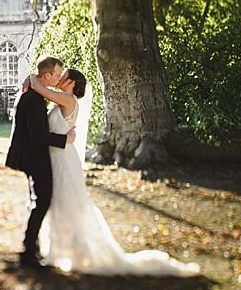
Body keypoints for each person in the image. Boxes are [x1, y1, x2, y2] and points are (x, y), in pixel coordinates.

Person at [26, 70, 200, 276]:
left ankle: (75, 250)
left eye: (63, 77)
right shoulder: (61, 100)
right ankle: (65, 249)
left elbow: (38, 87)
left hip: (63, 159)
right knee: (60, 203)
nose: (59, 80)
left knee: (68, 202)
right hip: (56, 157)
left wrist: (30, 77)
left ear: (72, 82)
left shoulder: (66, 99)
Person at [5, 56, 76, 269]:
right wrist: (65, 139)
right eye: (56, 74)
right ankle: (28, 253)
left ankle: (31, 249)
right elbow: (37, 134)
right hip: (33, 156)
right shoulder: (34, 97)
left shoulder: (33, 92)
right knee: (41, 201)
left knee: (37, 200)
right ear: (47, 75)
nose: (59, 78)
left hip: (31, 155)